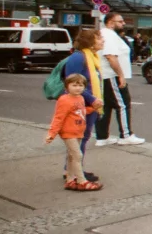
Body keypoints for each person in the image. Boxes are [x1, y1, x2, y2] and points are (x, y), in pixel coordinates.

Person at [62, 29, 105, 185]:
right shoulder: (78, 58)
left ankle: (72, 169)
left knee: (83, 138)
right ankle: (73, 173)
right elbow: (72, 84)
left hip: (90, 106)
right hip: (81, 107)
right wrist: (92, 99)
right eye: (99, 38)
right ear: (90, 41)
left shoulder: (92, 57)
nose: (103, 41)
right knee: (78, 139)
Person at [95, 12, 145, 146]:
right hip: (111, 75)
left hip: (105, 76)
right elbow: (111, 56)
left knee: (105, 106)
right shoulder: (109, 35)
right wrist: (121, 75)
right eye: (120, 21)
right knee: (122, 104)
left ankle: (102, 137)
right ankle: (126, 135)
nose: (123, 24)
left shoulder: (106, 34)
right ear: (111, 22)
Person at [45, 74, 101, 191]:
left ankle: (70, 180)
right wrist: (52, 133)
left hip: (78, 131)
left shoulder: (80, 98)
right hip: (68, 132)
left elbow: (80, 111)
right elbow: (58, 118)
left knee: (71, 156)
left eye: (80, 85)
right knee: (77, 155)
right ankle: (81, 181)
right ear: (67, 87)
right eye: (74, 85)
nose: (78, 88)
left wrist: (93, 109)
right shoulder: (64, 100)